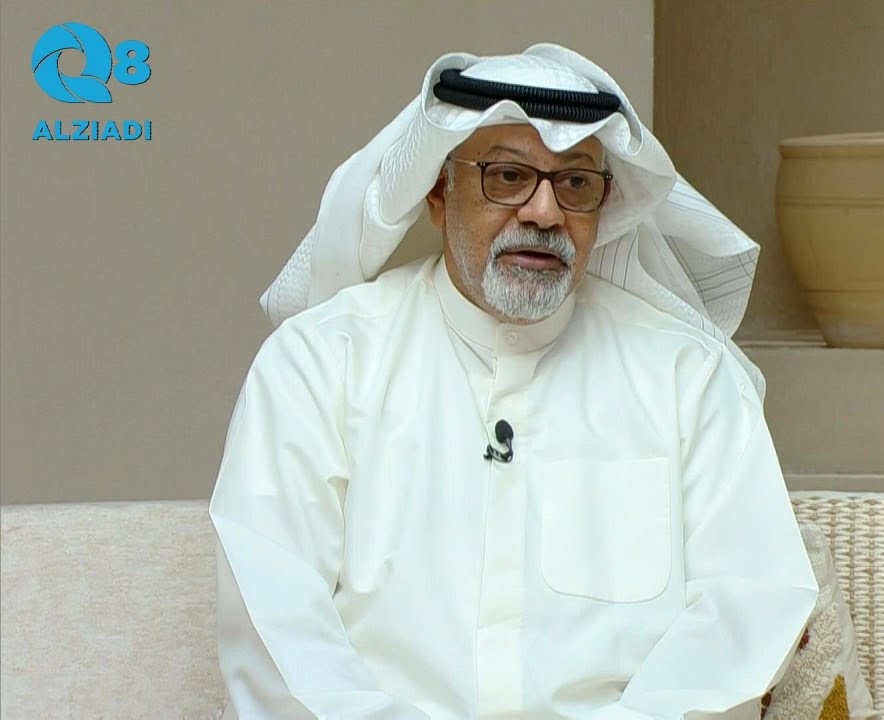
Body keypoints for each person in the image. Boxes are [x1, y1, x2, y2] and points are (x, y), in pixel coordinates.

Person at [209, 43, 818, 720]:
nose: (544, 212)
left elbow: (745, 612)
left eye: (575, 183)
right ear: (438, 193)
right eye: (507, 176)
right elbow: (280, 637)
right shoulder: (320, 365)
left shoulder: (688, 377)